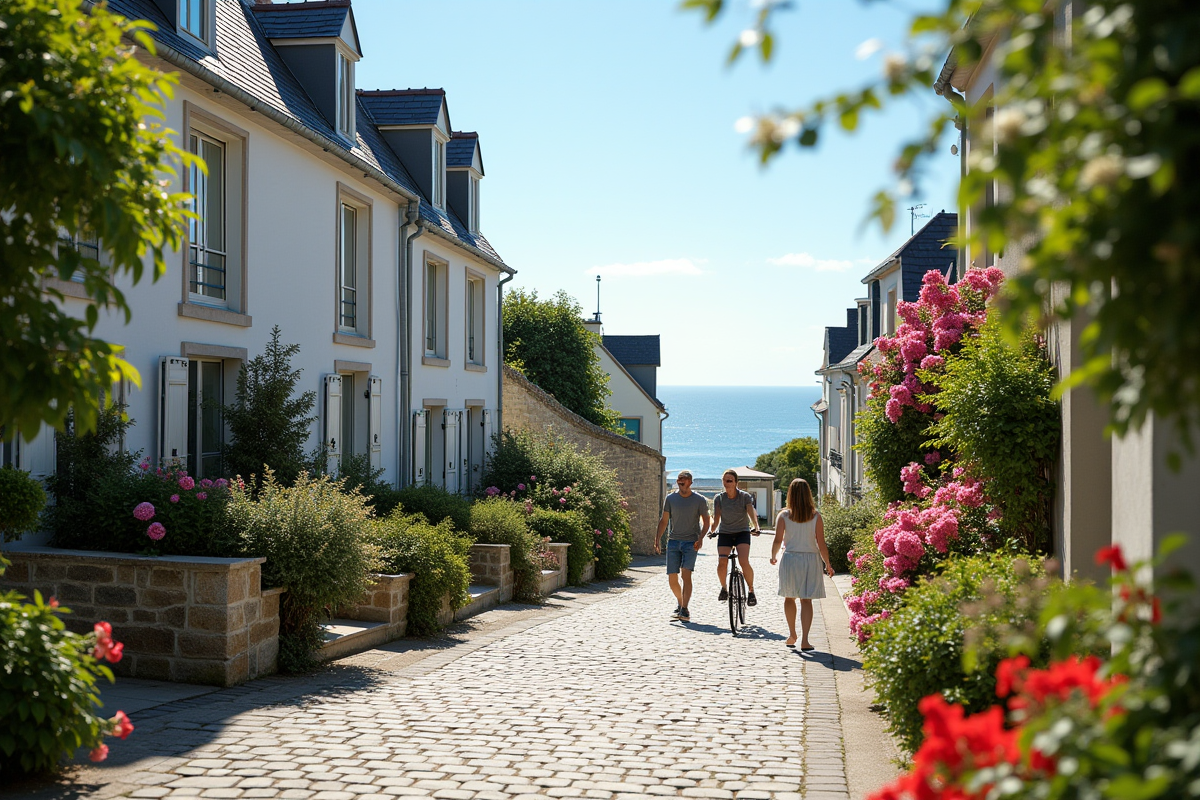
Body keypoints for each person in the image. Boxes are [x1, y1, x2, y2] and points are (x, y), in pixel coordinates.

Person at [770, 478, 835, 650]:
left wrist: (773, 556)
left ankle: (792, 634)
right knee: (806, 600)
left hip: (791, 559)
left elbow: (777, 540)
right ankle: (805, 640)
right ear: (808, 494)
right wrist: (827, 564)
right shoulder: (815, 516)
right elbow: (821, 544)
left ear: (790, 494)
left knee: (789, 597)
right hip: (811, 560)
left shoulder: (783, 516)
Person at [654, 470, 710, 621]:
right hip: (673, 542)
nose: (681, 482)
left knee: (686, 574)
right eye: (679, 479)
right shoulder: (671, 499)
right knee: (672, 579)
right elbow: (664, 520)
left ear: (690, 482)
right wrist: (657, 538)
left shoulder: (699, 500)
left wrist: (701, 537)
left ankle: (684, 609)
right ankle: (680, 603)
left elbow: (706, 522)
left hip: (691, 543)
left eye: (684, 480)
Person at [710, 468, 760, 606]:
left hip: (742, 532)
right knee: (722, 561)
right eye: (724, 481)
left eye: (730, 481)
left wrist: (756, 527)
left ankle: (751, 591)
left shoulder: (744, 497)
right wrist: (712, 530)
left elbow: (751, 513)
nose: (726, 483)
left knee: (743, 560)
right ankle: (724, 588)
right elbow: (716, 518)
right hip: (725, 533)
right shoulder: (719, 498)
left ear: (736, 483)